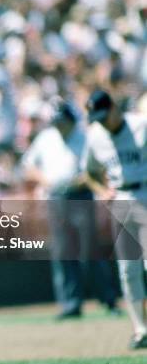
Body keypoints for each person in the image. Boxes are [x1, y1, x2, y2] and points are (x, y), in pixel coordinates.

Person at [23, 101, 118, 320]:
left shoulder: (84, 136)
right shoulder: (46, 138)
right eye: (56, 122)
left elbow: (96, 166)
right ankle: (70, 303)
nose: (59, 125)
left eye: (62, 121)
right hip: (56, 198)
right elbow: (29, 165)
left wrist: (84, 180)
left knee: (89, 250)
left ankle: (108, 299)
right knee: (63, 251)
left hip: (81, 195)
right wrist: (45, 180)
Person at [83, 89, 147, 349]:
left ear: (114, 109)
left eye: (103, 116)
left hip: (144, 192)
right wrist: (101, 190)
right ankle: (141, 330)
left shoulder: (140, 125)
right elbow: (88, 172)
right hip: (119, 199)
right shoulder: (96, 136)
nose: (100, 122)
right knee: (127, 270)